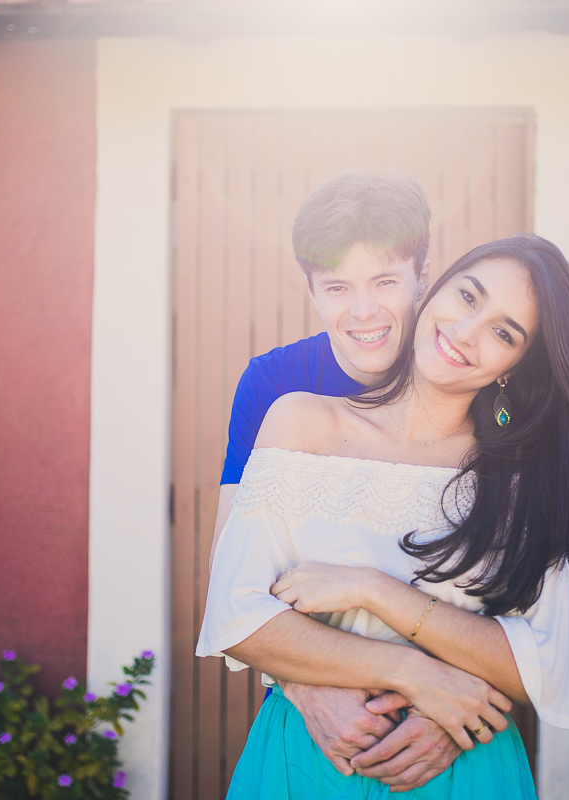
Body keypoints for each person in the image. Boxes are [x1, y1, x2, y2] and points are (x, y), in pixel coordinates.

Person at [198, 235, 569, 798]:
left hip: (463, 772)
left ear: (515, 365)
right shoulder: (301, 423)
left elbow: (546, 665)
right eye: (468, 297)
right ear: (434, 287)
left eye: (503, 332)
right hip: (307, 764)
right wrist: (414, 673)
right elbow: (233, 616)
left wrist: (374, 590)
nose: (466, 332)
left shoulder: (526, 478)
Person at [214, 169, 465, 790]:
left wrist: (455, 708)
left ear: (422, 278)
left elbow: (524, 600)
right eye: (337, 286)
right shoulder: (275, 384)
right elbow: (233, 573)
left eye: (385, 281)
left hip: (454, 737)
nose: (362, 311)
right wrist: (303, 687)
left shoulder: (473, 378)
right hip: (317, 740)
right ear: (311, 291)